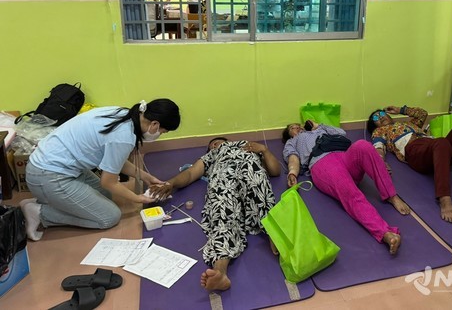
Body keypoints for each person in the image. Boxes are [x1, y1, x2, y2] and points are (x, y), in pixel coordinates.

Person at [20, 99, 180, 241]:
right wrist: (139, 199)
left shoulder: (124, 114)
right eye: (163, 132)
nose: (160, 134)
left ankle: (51, 200)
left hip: (60, 165)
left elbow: (115, 161)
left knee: (105, 197)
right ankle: (39, 212)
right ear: (155, 124)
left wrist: (146, 177)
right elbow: (108, 182)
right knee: (109, 217)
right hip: (47, 174)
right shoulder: (124, 136)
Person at [150, 137, 281, 292]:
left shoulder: (247, 146)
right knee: (221, 215)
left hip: (248, 172)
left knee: (256, 183)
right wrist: (170, 183)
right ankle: (220, 272)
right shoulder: (211, 157)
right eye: (212, 145)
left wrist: (264, 151)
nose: (216, 145)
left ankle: (274, 232)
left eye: (218, 142)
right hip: (223, 184)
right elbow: (191, 173)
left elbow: (275, 171)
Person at [282, 121, 409, 254]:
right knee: (350, 192)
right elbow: (293, 159)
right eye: (292, 128)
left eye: (298, 125)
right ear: (288, 134)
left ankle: (391, 195)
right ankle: (385, 233)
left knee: (363, 145)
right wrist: (292, 173)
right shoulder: (292, 142)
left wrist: (318, 126)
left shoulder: (319, 130)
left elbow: (341, 133)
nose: (296, 127)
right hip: (322, 162)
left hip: (345, 154)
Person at [367, 106, 452, 224]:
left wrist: (401, 110)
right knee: (441, 143)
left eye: (382, 113)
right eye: (376, 117)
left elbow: (423, 113)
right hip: (415, 151)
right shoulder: (380, 131)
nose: (381, 117)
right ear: (375, 124)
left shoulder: (408, 123)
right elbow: (378, 147)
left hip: (437, 148)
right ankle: (444, 197)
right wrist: (381, 162)